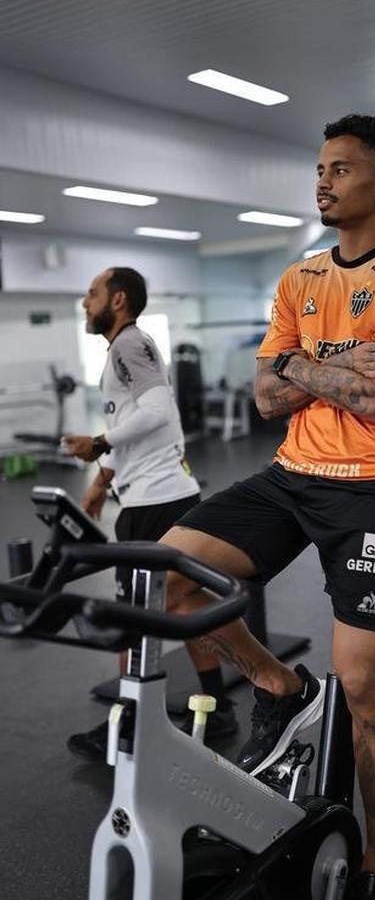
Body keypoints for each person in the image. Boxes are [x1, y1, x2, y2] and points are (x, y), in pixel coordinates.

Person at [161, 114, 375, 899]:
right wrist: (332, 360)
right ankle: (274, 684)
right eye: (319, 168)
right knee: (173, 575)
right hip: (293, 475)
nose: (322, 181)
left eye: (341, 170)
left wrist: (301, 363)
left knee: (362, 684)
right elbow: (263, 397)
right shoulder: (299, 279)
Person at [63, 267, 237, 760]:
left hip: (157, 503)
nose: (84, 302)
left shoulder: (128, 346)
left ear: (117, 300)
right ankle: (216, 708)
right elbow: (138, 427)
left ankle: (130, 722)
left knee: (134, 612)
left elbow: (158, 413)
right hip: (156, 498)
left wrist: (97, 443)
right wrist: (101, 480)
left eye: (91, 293)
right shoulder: (124, 349)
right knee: (180, 604)